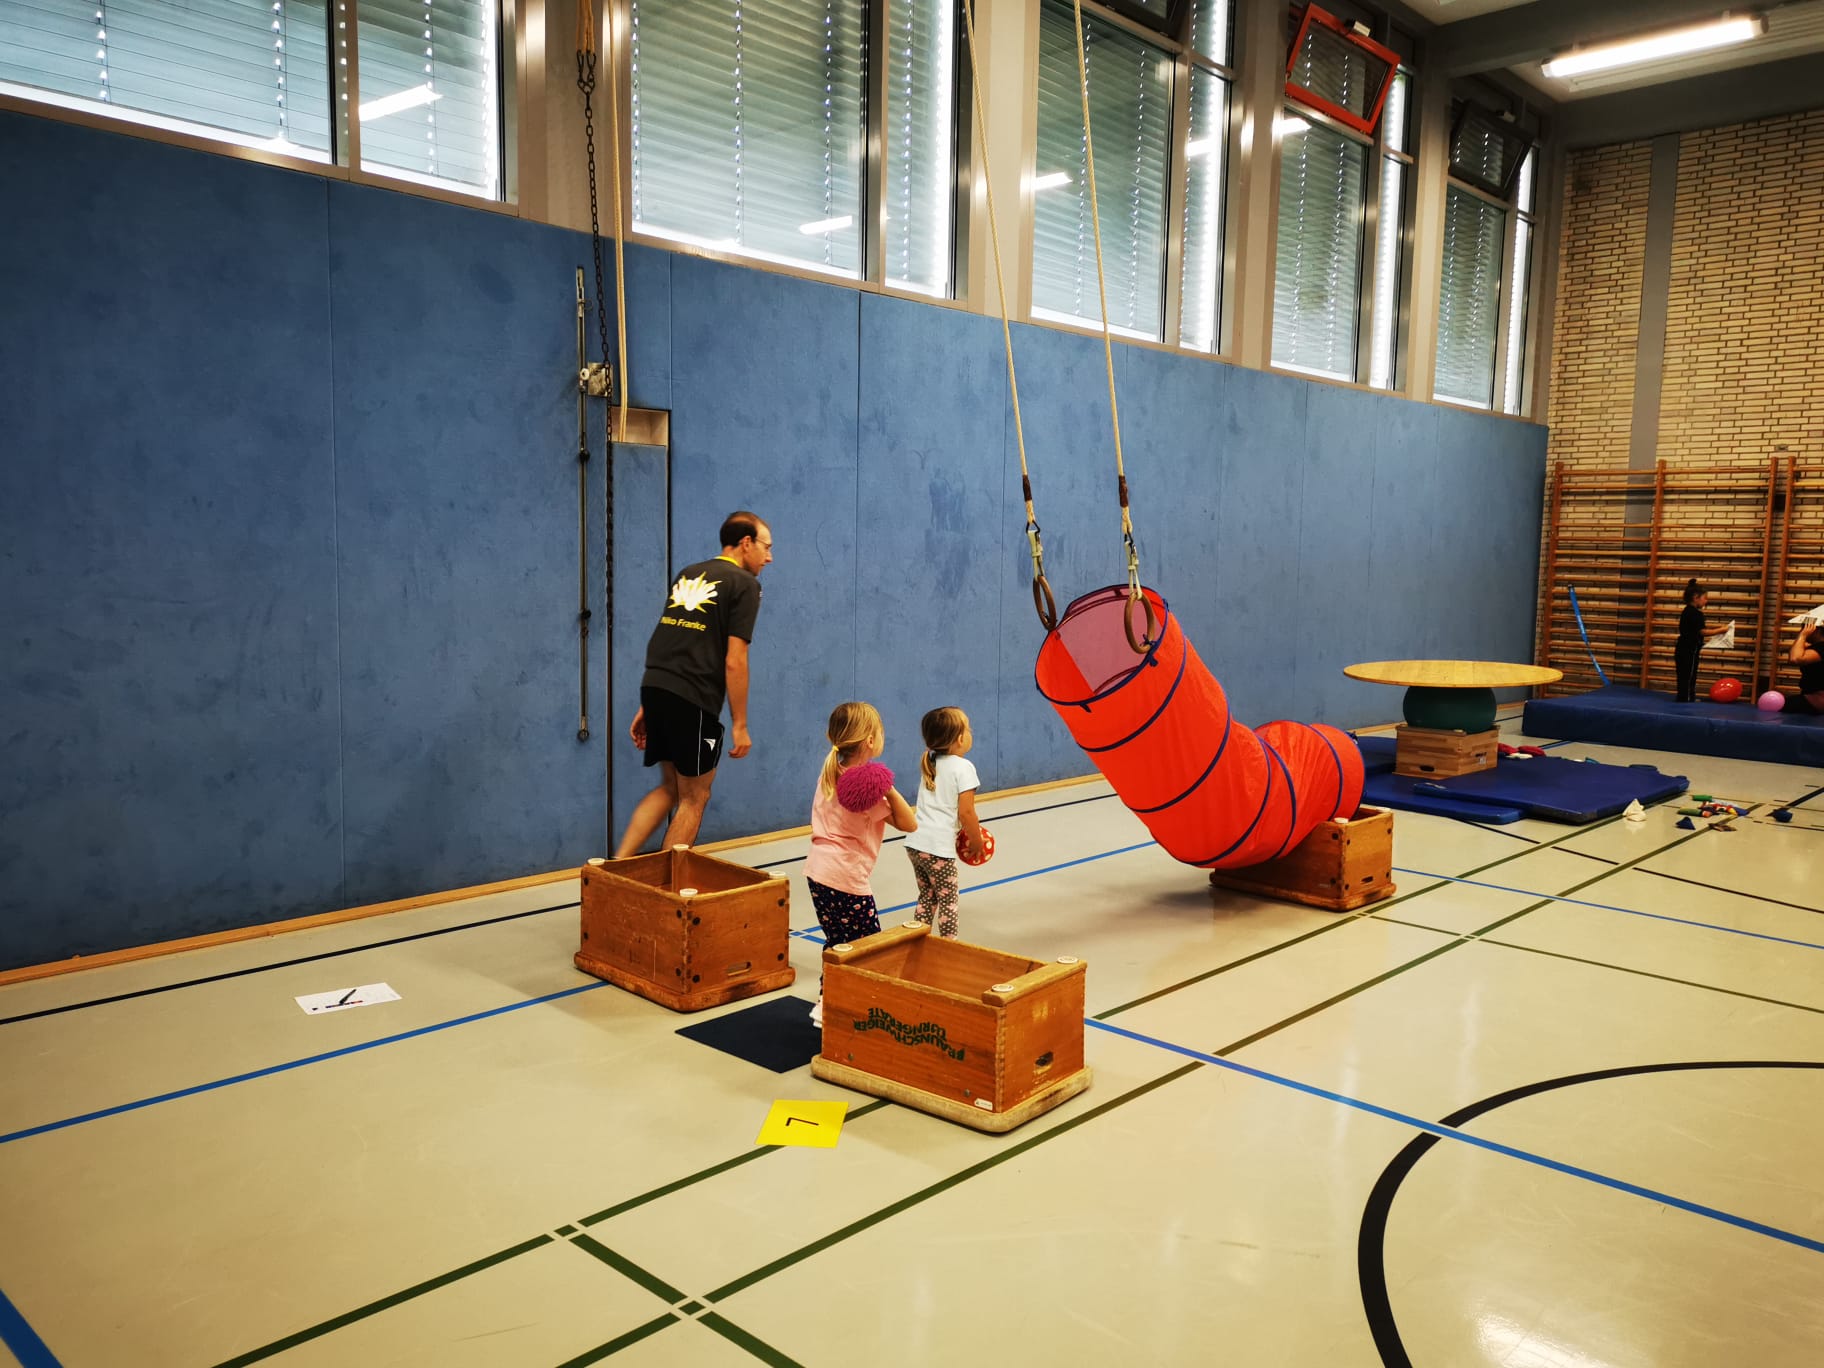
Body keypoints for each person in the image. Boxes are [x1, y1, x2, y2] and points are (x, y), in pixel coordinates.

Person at [614, 512, 772, 857]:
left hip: (656, 685)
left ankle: (614, 868)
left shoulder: (690, 572)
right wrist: (740, 724)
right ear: (746, 543)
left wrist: (650, 703)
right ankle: (672, 885)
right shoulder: (744, 584)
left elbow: (670, 639)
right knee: (694, 797)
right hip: (692, 697)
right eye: (766, 547)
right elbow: (735, 659)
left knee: (671, 788)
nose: (769, 557)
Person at [803, 701, 917, 1026]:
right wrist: (889, 788)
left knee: (838, 942)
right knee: (869, 950)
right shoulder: (865, 788)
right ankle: (854, 1012)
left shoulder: (830, 773)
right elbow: (909, 823)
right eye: (880, 732)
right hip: (846, 878)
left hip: (818, 873)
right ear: (869, 740)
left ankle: (827, 1005)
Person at [902, 707, 984, 940]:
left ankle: (916, 941)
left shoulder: (931, 760)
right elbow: (966, 813)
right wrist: (976, 840)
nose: (971, 732)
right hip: (938, 849)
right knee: (949, 901)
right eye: (968, 728)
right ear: (959, 738)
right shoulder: (964, 767)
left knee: (927, 897)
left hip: (915, 844)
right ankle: (949, 946)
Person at [1673, 578, 1731, 702]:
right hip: (1689, 649)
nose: (1706, 601)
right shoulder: (1695, 613)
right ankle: (1686, 697)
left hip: (1683, 647)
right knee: (1689, 674)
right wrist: (1721, 630)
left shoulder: (1687, 611)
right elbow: (1703, 632)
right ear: (1696, 597)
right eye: (1705, 598)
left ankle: (1685, 696)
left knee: (1684, 674)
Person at [1780, 618, 1824, 714]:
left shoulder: (1822, 647)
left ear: (1816, 630)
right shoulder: (1816, 648)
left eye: (1804, 628)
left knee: (1778, 706)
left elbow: (1795, 658)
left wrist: (1803, 635)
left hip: (1818, 699)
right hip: (1813, 697)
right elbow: (1794, 652)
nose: (1801, 631)